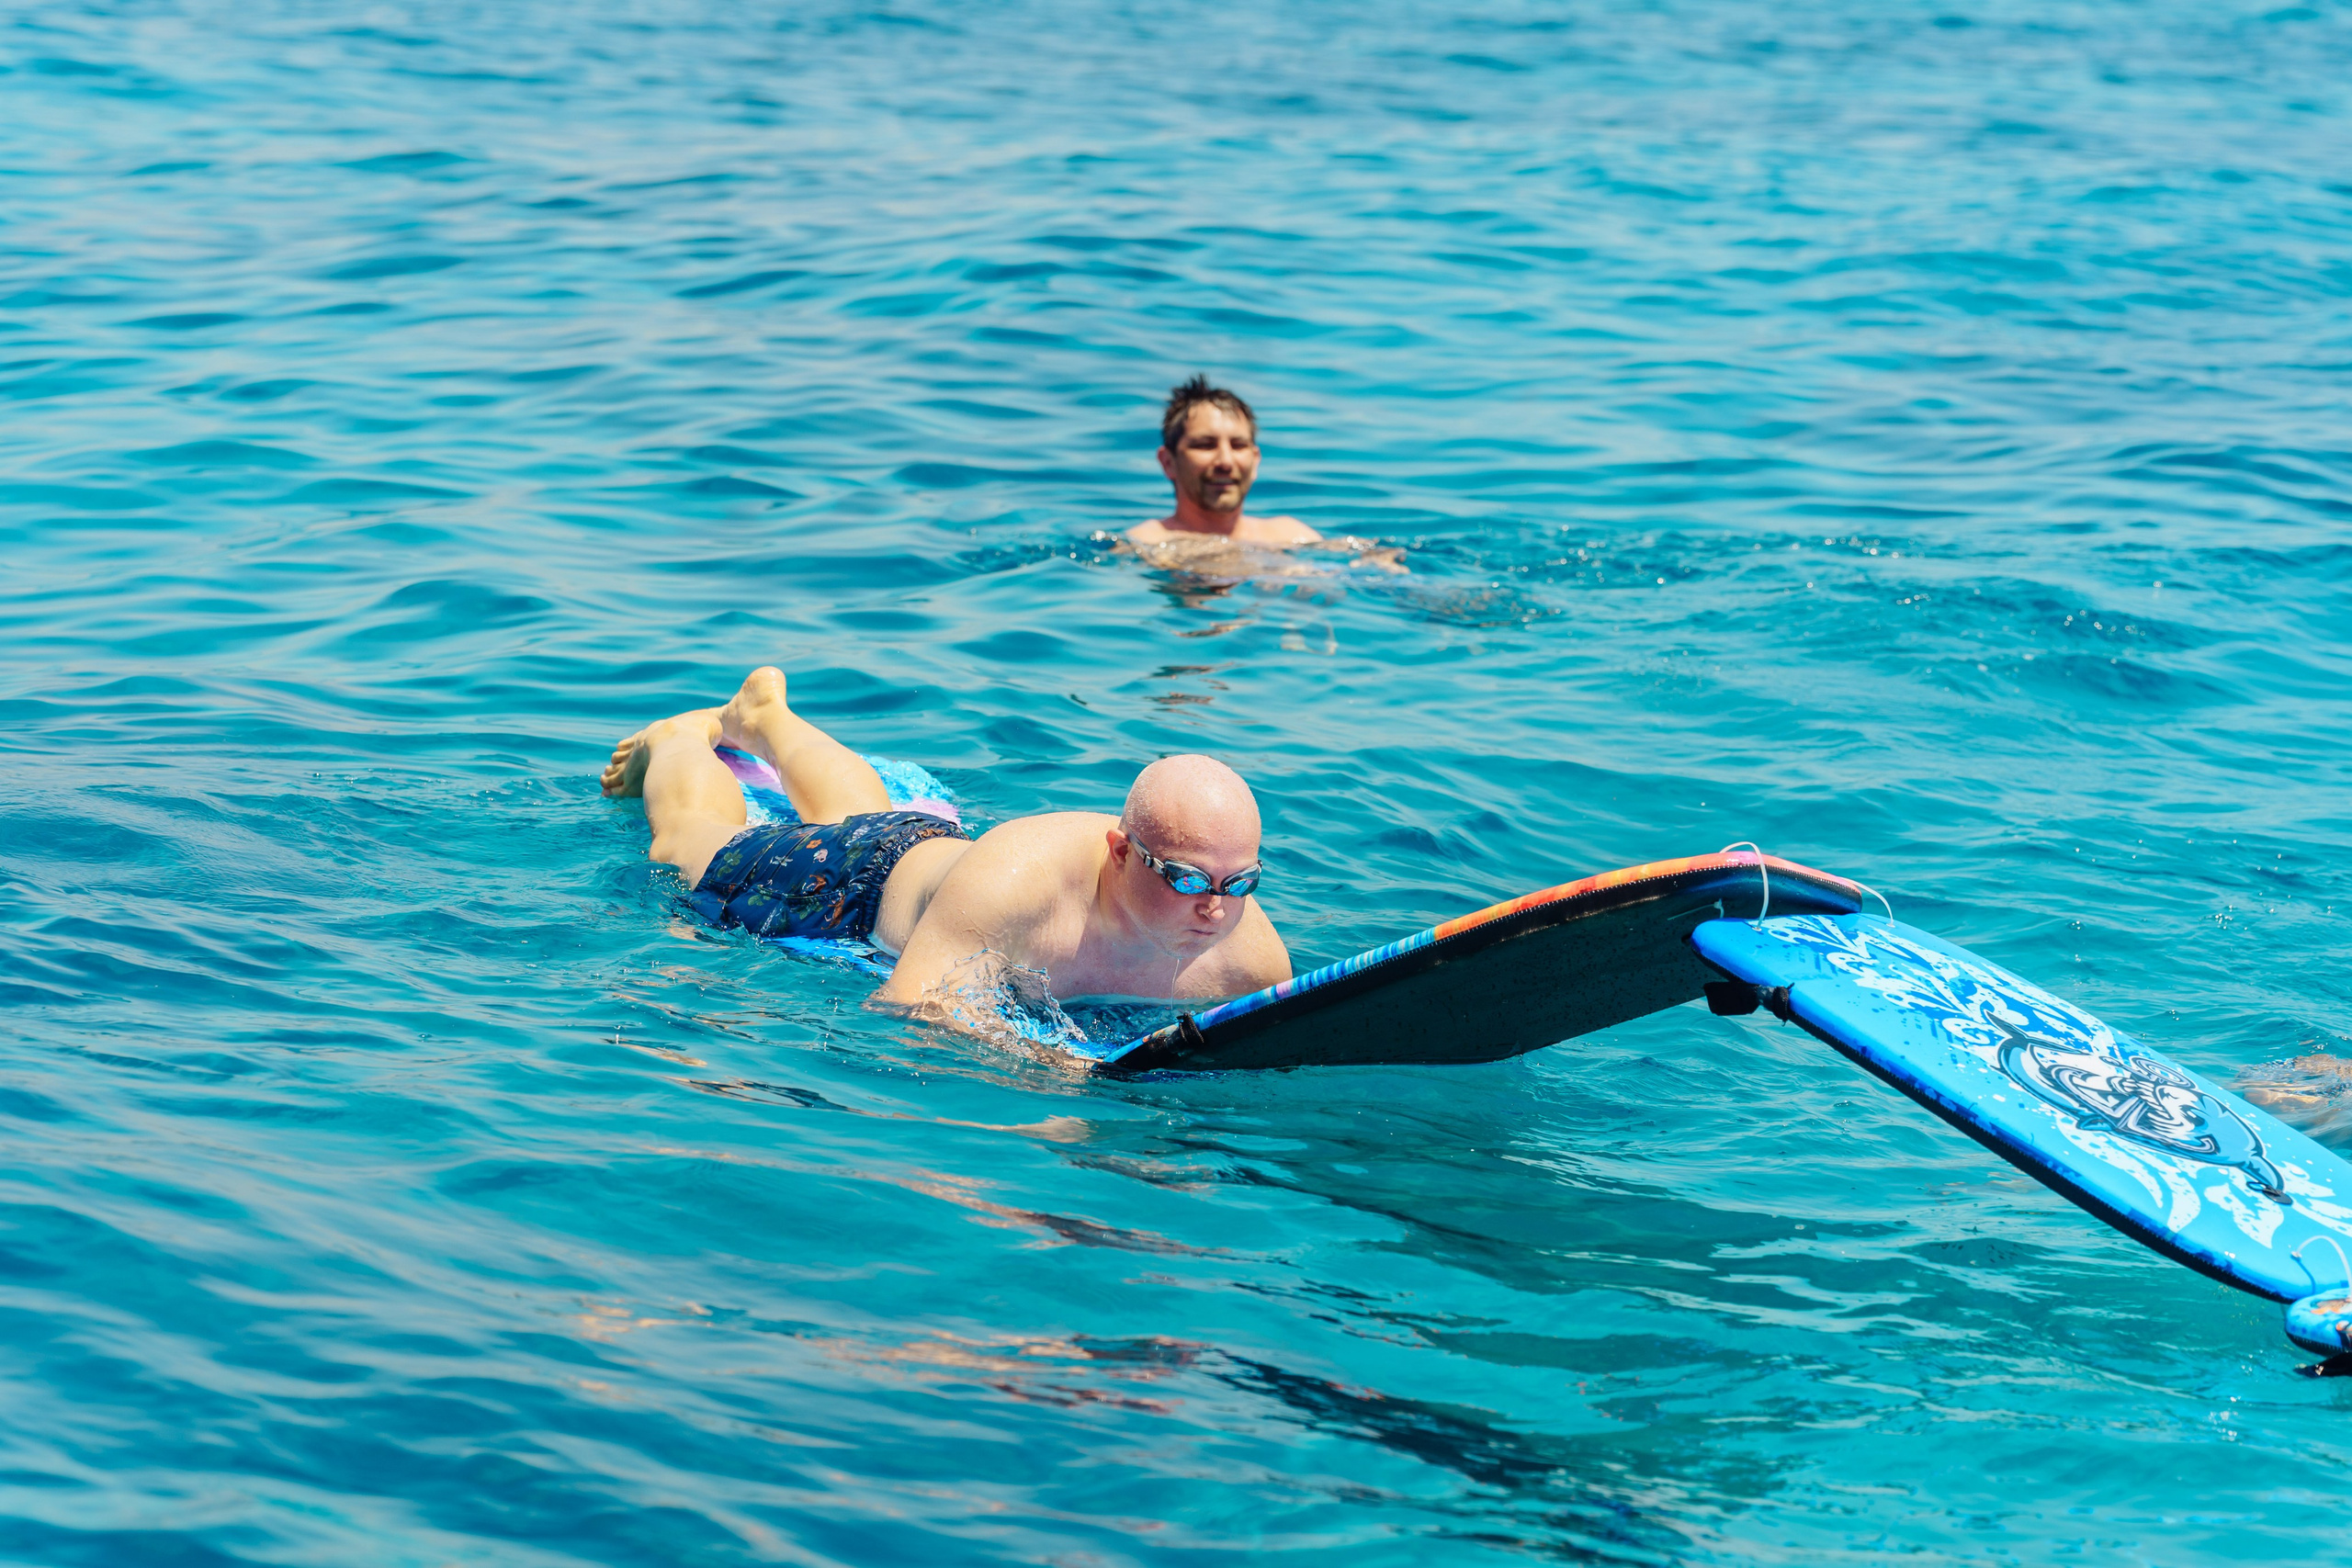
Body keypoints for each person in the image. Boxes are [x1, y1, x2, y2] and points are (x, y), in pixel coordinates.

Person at [600, 667, 1293, 1015]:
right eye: (1188, 879)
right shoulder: (1022, 886)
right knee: (691, 847)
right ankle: (680, 738)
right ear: (1119, 852)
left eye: (1240, 884)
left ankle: (765, 715)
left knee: (856, 805)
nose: (1216, 908)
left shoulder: (1248, 951)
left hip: (930, 846)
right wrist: (1055, 1074)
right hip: (854, 885)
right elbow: (908, 1006)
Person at [1124, 377, 1404, 571]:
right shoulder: (1143, 544)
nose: (1225, 461)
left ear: (1255, 460)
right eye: (1205, 445)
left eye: (1238, 445)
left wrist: (1380, 562)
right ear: (1168, 462)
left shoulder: (1289, 533)